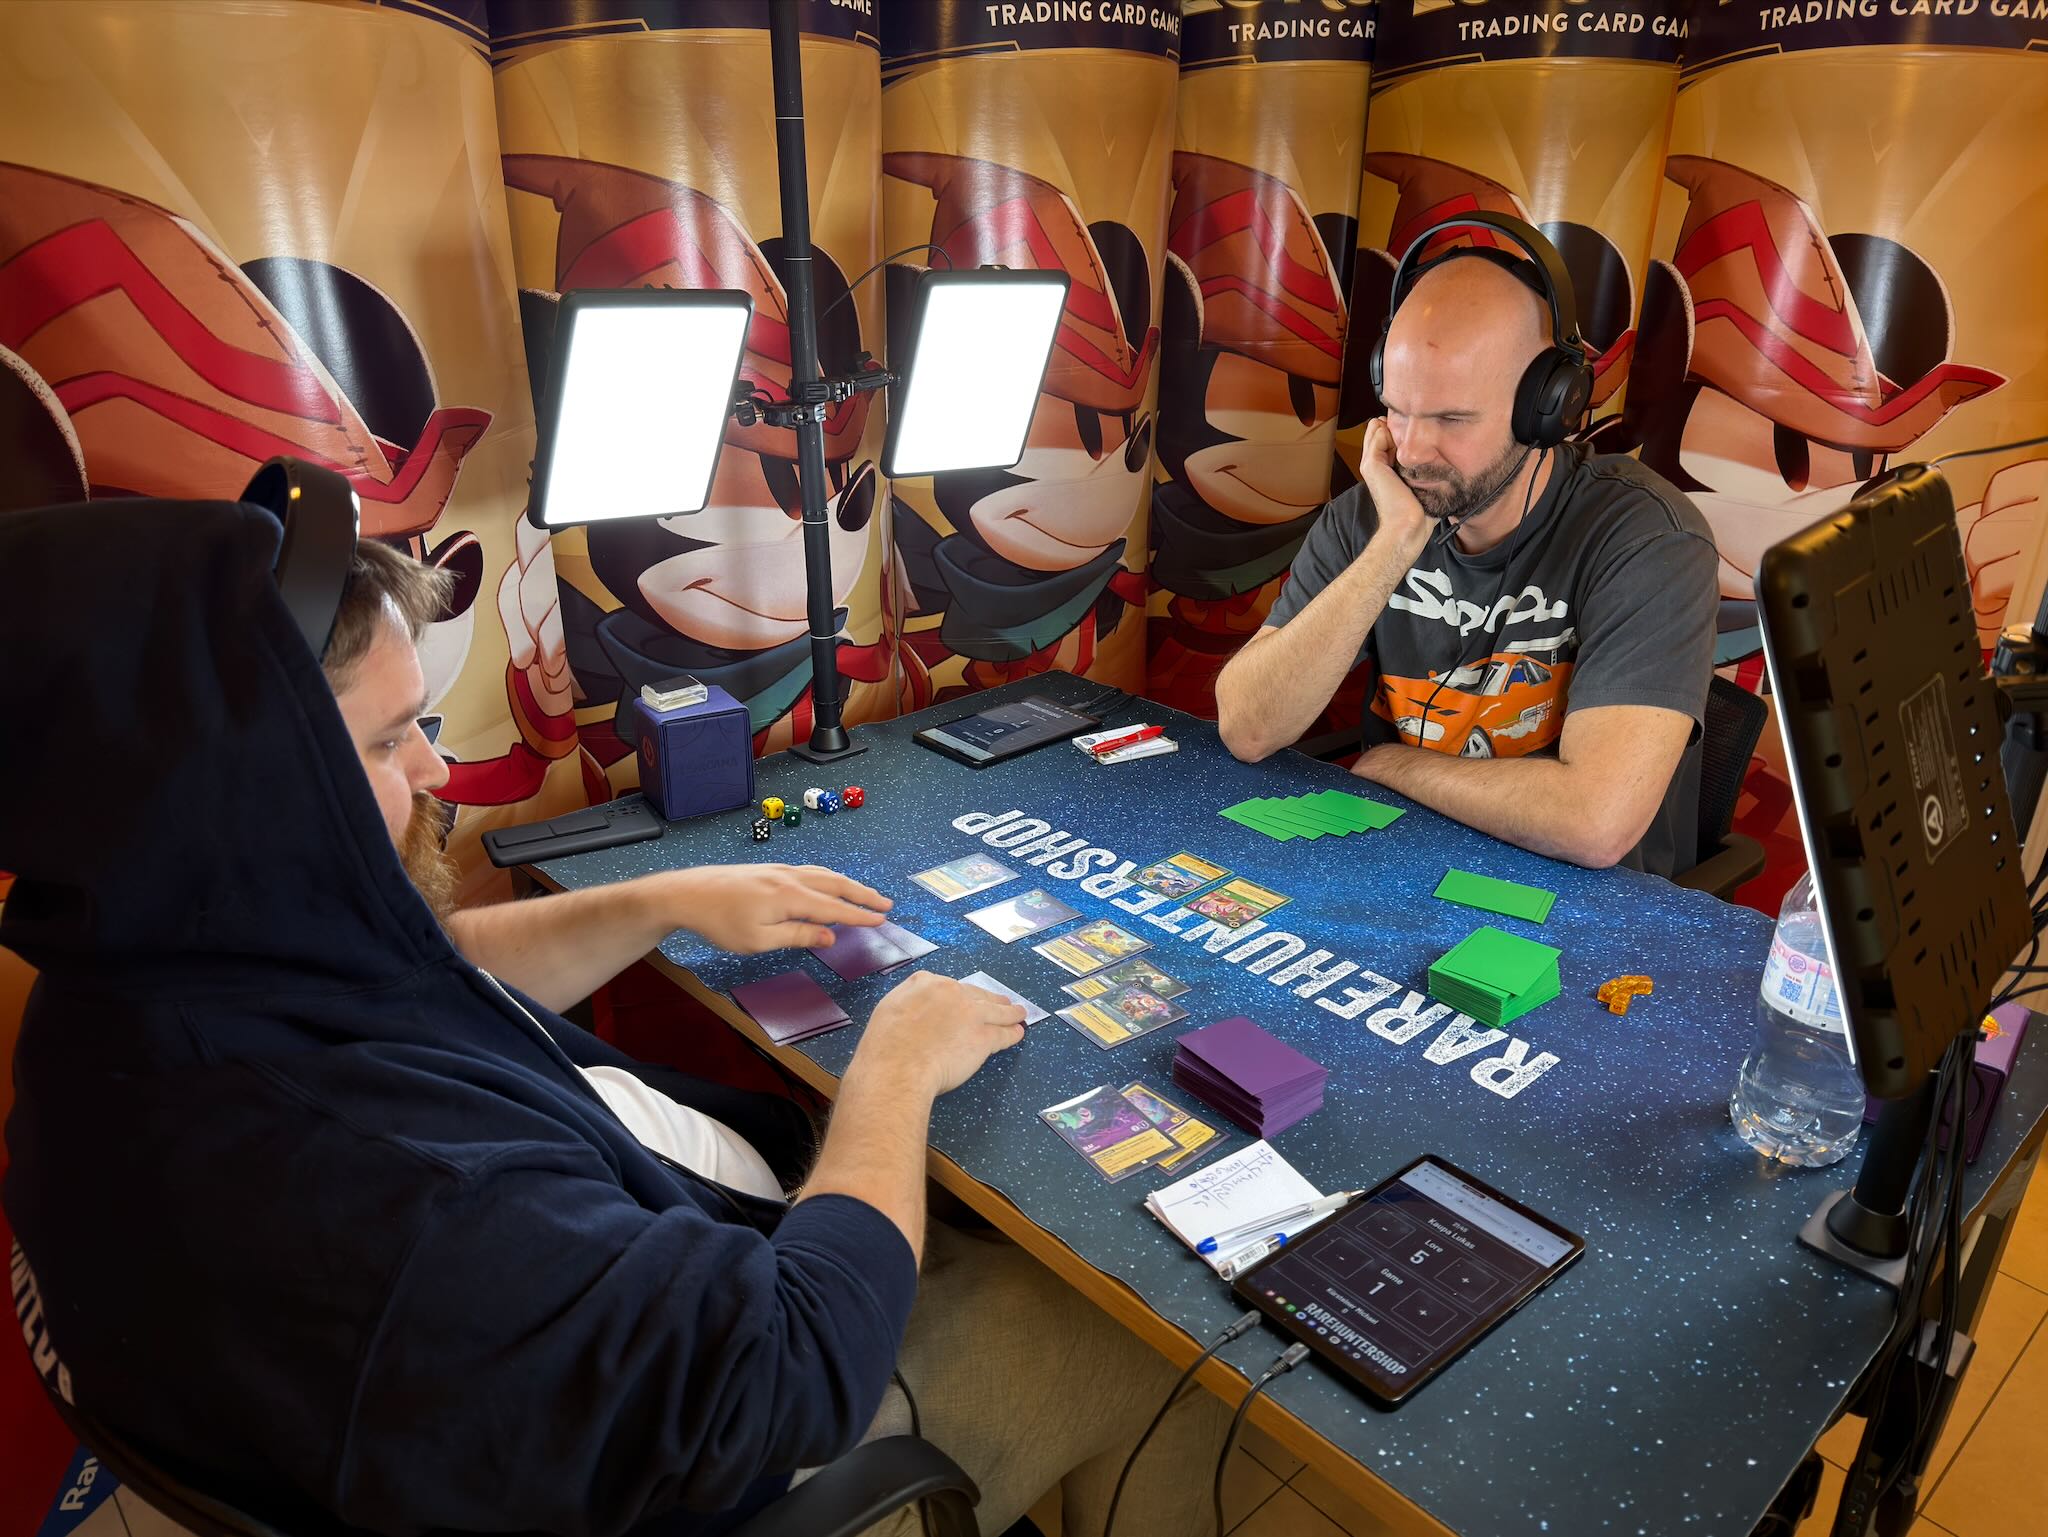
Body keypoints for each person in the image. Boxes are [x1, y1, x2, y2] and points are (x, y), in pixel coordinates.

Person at [0, 495, 1229, 1537]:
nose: (435, 770)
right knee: (1145, 1327)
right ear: (237, 797)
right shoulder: (406, 1199)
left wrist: (658, 900)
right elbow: (792, 1369)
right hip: (750, 1434)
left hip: (517, 1384)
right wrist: (893, 1072)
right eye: (385, 742)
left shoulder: (121, 989)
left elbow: (416, 975)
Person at [1215, 250, 1719, 876]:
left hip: (1578, 900)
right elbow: (1248, 728)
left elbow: (1595, 823)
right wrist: (1394, 543)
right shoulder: (1378, 513)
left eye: (1452, 419)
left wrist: (1390, 763)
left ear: (1545, 409)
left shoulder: (1648, 540)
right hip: (1397, 862)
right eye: (1397, 411)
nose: (1412, 451)